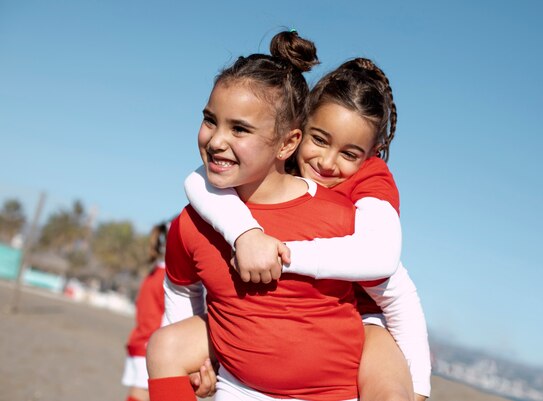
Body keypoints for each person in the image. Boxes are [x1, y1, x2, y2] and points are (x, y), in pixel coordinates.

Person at [184, 57, 431, 401]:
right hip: (292, 324)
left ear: (371, 154)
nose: (327, 162)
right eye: (319, 140)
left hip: (365, 317)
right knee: (168, 347)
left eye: (349, 153)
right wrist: (245, 233)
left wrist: (418, 386)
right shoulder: (279, 169)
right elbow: (198, 181)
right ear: (296, 132)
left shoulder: (369, 180)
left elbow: (387, 266)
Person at [147, 30, 368, 401]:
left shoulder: (340, 217)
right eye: (210, 120)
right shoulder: (190, 224)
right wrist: (195, 363)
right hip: (236, 389)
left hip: (328, 394)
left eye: (240, 129)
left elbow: (387, 300)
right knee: (162, 346)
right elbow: (180, 286)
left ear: (287, 143)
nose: (216, 140)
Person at [121, 221, 169, 401]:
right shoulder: (168, 278)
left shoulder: (155, 272)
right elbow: (169, 319)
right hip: (149, 347)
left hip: (139, 341)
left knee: (137, 395)